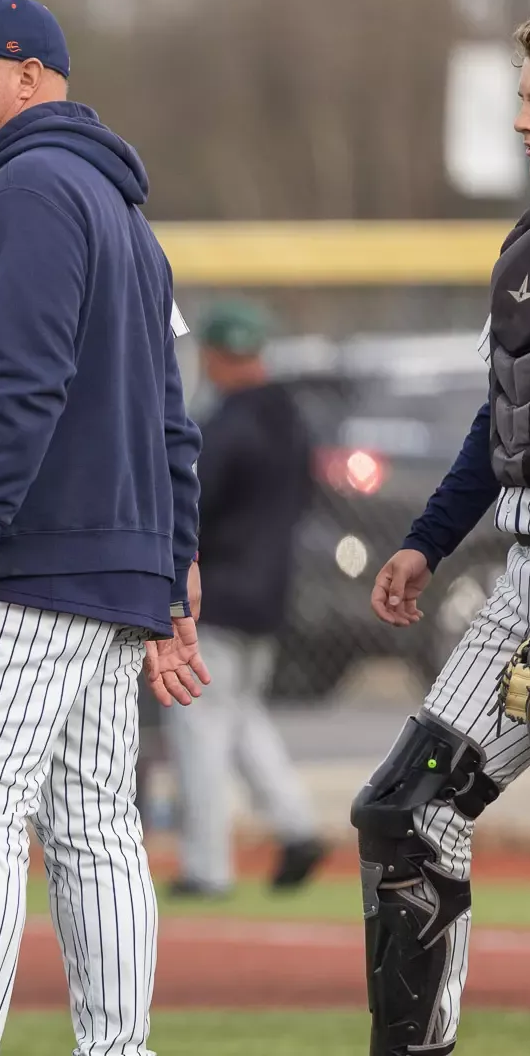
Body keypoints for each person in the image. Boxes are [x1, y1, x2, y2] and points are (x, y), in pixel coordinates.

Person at [0, 0, 203, 1056]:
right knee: (96, 831)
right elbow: (169, 416)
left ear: (30, 77)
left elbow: (21, 383)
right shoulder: (118, 208)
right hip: (109, 567)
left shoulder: (26, 192)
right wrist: (172, 568)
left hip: (26, 568)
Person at [355, 6, 530, 1056]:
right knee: (405, 815)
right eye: (522, 97)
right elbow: (502, 414)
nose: (522, 120)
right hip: (528, 576)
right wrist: (428, 537)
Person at [162, 300, 325, 898]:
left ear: (215, 355)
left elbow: (193, 507)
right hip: (271, 590)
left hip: (217, 595)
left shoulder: (227, 424)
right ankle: (297, 825)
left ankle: (207, 867)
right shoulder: (292, 418)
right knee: (240, 716)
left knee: (199, 726)